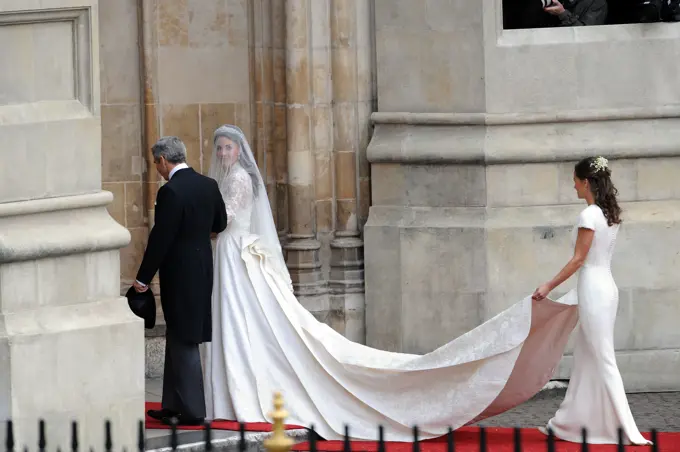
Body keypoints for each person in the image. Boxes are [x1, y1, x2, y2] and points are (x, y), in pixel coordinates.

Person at [201, 125, 584, 442]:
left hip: (236, 252)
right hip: (233, 254)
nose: (223, 153)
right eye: (219, 148)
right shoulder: (231, 178)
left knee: (247, 318)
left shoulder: (237, 181)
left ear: (239, 151)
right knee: (241, 320)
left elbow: (226, 218)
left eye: (228, 147)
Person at [533, 157, 652, 446]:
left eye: (575, 180)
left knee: (603, 358)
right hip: (605, 288)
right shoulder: (608, 214)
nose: (573, 185)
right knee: (586, 359)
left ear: (586, 182)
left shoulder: (589, 216)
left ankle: (628, 430)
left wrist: (548, 285)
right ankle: (567, 424)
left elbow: (578, 260)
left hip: (594, 289)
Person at [135, 136, 228, 426]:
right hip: (202, 268)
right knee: (177, 333)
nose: (157, 169)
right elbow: (221, 224)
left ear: (164, 160)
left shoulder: (171, 191)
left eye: (156, 164)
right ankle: (172, 403)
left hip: (179, 273)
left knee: (184, 336)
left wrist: (142, 279)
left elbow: (160, 239)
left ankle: (192, 410)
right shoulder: (208, 184)